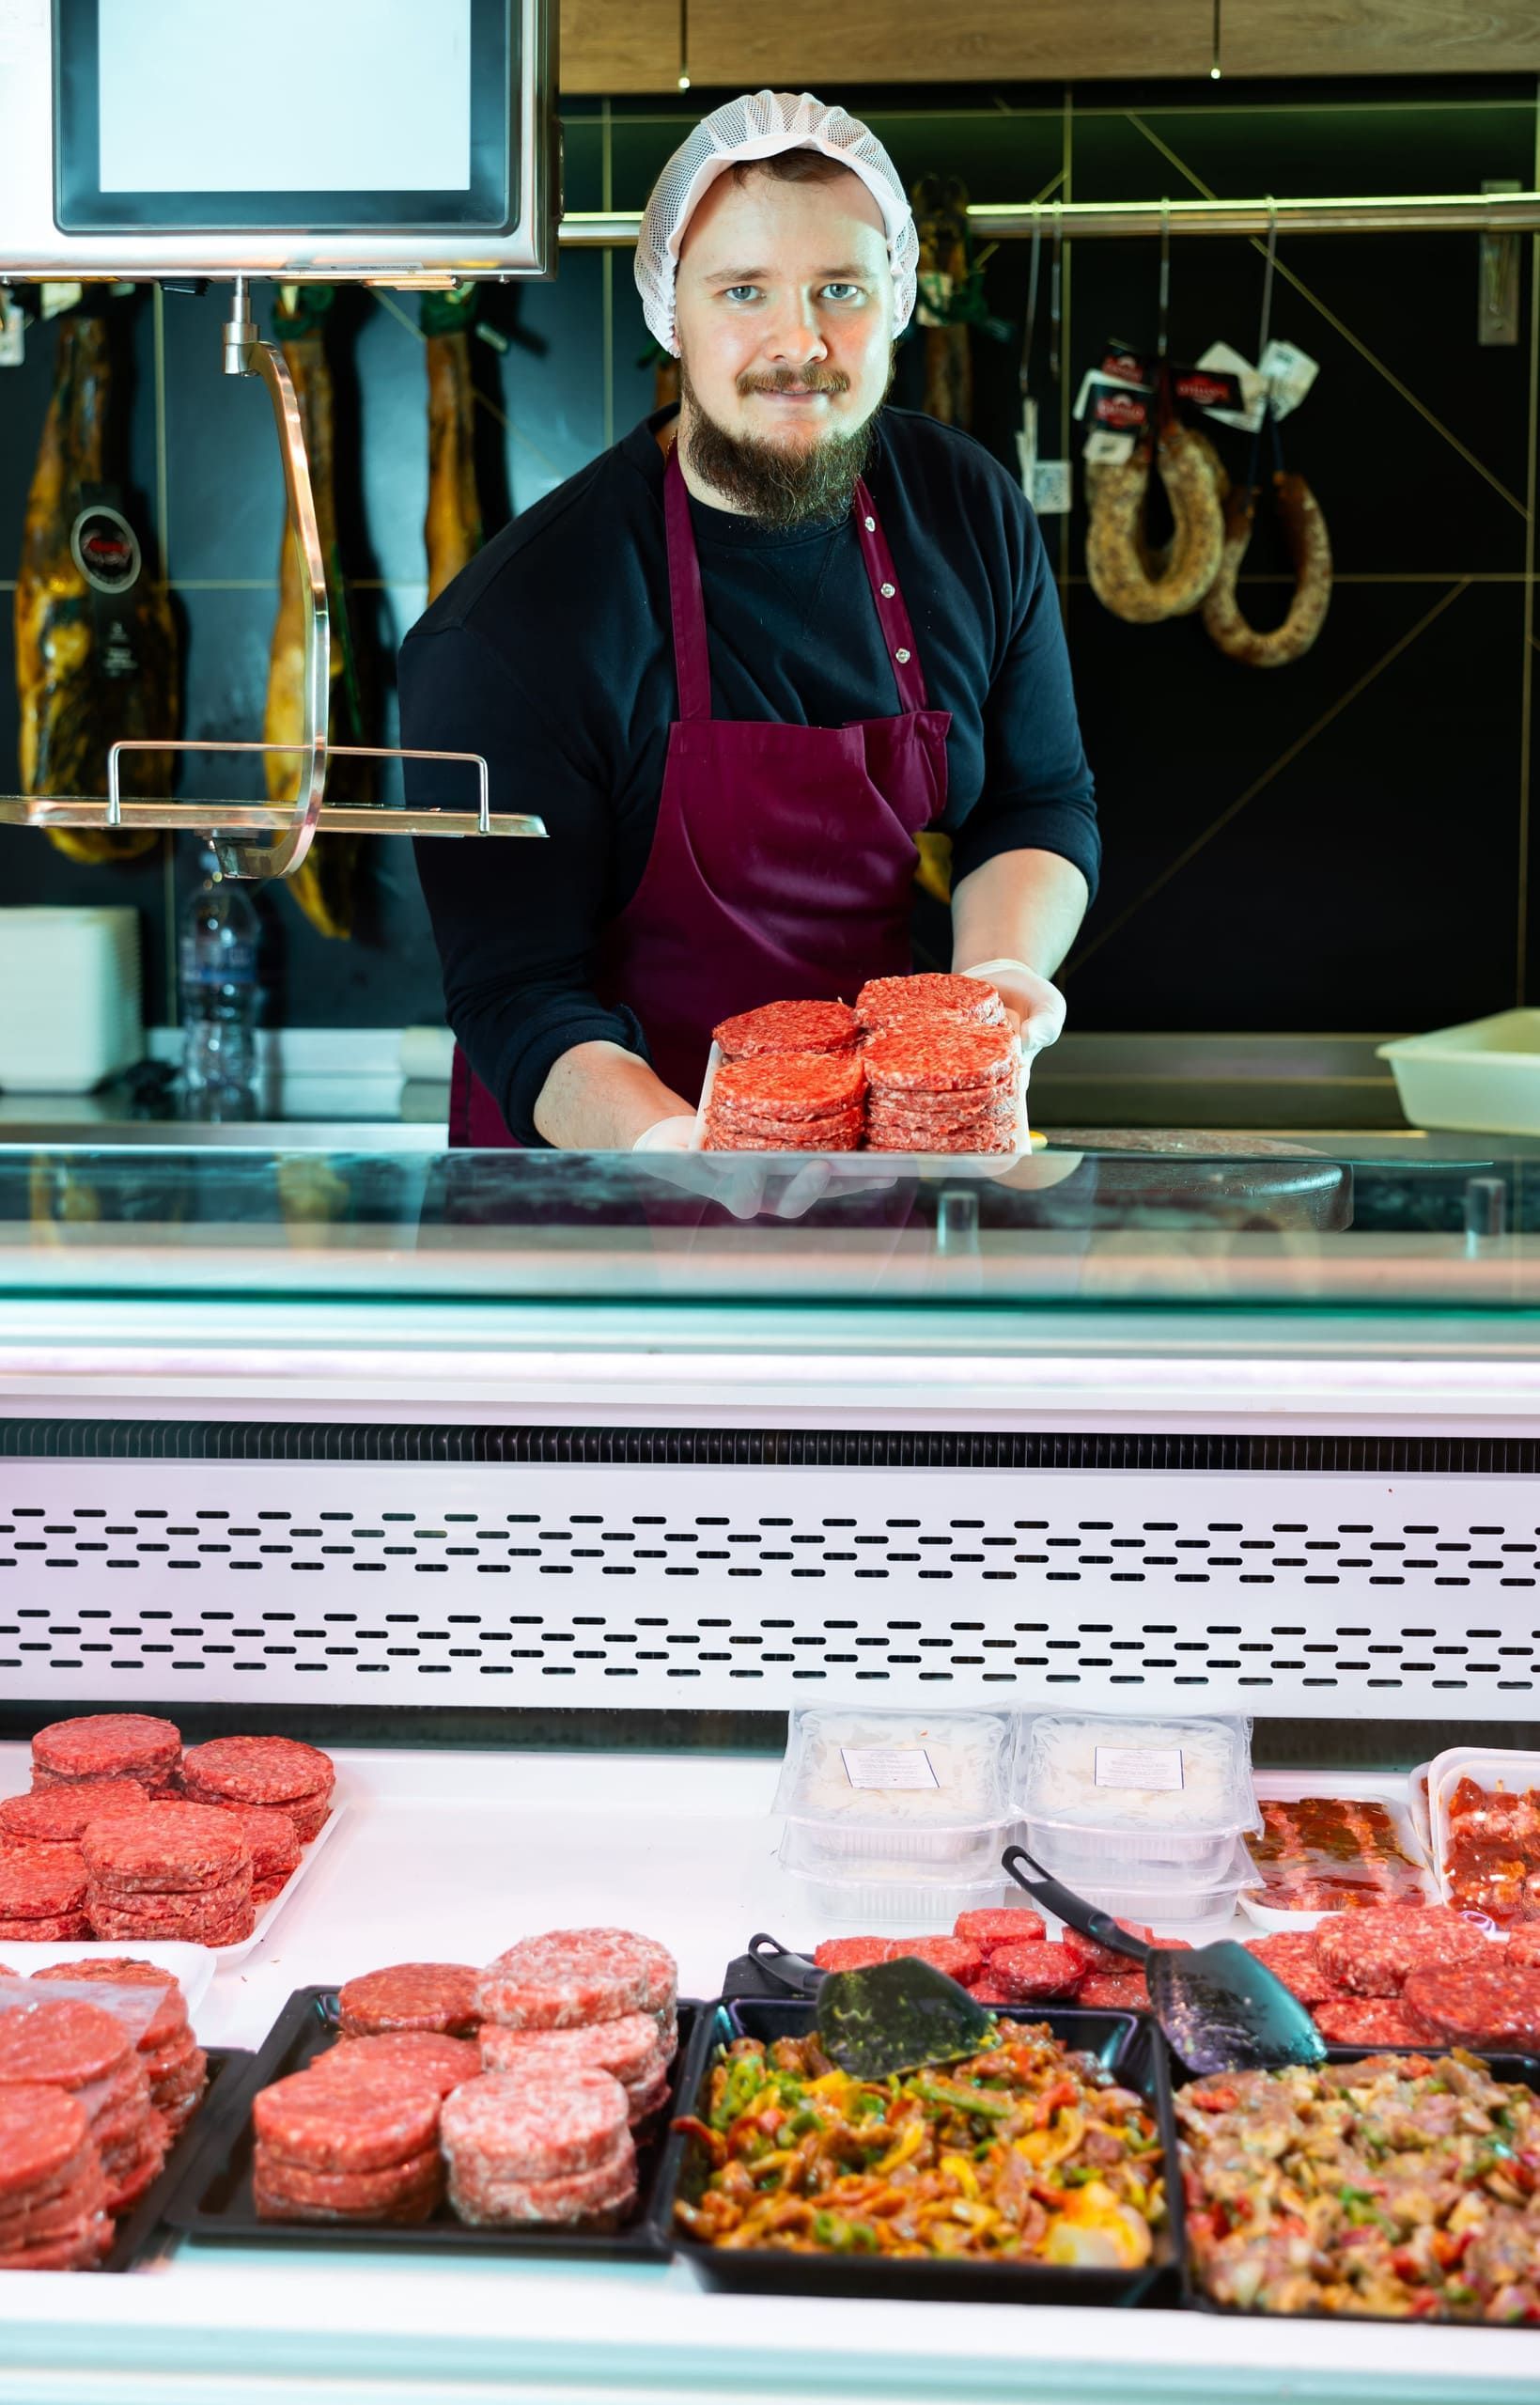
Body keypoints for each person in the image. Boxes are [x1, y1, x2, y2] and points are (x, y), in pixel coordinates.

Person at [402, 89, 1098, 1151]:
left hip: (877, 1168)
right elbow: (517, 994)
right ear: (668, 309)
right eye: (743, 291)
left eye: (840, 289)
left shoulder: (964, 506)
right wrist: (687, 1158)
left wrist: (993, 979)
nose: (800, 341)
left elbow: (1036, 799)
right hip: (600, 1191)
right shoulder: (517, 624)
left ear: (898, 298)